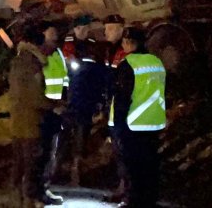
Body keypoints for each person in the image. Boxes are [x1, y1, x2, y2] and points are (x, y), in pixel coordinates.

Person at [109, 27, 166, 207]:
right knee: (150, 167)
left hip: (132, 125)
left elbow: (122, 99)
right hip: (154, 123)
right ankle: (150, 201)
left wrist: (117, 127)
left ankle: (133, 201)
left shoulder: (128, 65)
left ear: (128, 43)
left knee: (133, 168)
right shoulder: (157, 62)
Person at [9, 25, 59, 208]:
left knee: (21, 162)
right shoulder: (31, 63)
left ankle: (19, 198)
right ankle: (27, 201)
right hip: (31, 121)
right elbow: (34, 95)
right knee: (31, 164)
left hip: (19, 120)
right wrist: (55, 106)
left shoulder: (18, 60)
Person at [63, 40, 109, 186]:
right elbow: (103, 87)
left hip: (72, 107)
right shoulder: (99, 68)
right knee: (81, 138)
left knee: (66, 137)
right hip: (88, 109)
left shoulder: (73, 67)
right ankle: (76, 168)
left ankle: (62, 168)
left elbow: (68, 85)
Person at [38, 22, 67, 203]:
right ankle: (37, 190)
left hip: (56, 110)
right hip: (42, 110)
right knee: (40, 153)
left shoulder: (58, 53)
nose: (55, 34)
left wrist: (64, 102)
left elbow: (64, 79)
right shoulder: (38, 55)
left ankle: (44, 188)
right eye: (51, 31)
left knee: (51, 152)